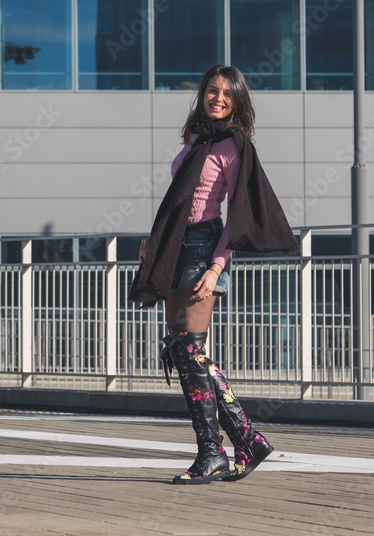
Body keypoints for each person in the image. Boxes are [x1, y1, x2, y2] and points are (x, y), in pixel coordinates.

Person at [128, 64, 299, 485]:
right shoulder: (195, 138)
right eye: (211, 90)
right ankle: (247, 441)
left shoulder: (234, 145)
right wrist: (156, 241)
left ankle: (213, 451)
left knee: (190, 348)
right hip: (176, 245)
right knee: (185, 350)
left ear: (237, 100)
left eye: (226, 93)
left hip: (205, 246)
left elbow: (238, 216)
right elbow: (180, 200)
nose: (217, 98)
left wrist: (216, 267)